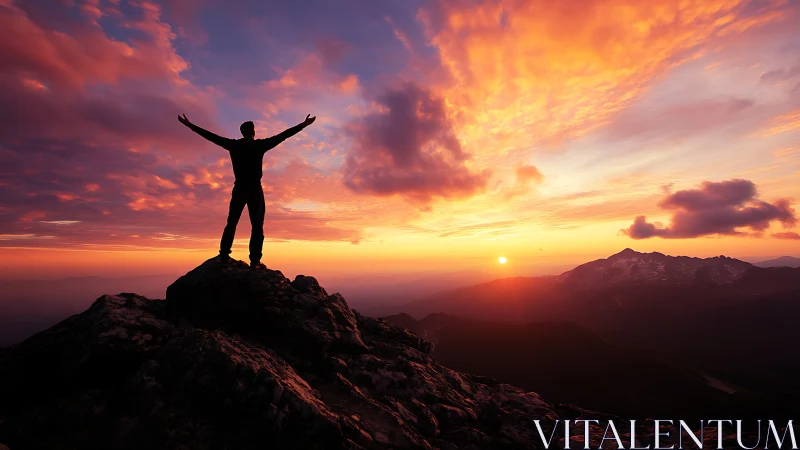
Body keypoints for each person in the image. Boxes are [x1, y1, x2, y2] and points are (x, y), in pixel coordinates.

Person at [178, 113, 316, 269]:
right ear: (253, 132)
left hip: (239, 188)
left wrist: (190, 126)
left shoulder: (234, 145)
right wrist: (303, 125)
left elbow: (210, 136)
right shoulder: (259, 145)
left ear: (242, 132)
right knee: (257, 225)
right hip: (254, 189)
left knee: (232, 223)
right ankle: (255, 261)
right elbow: (282, 136)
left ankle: (224, 255)